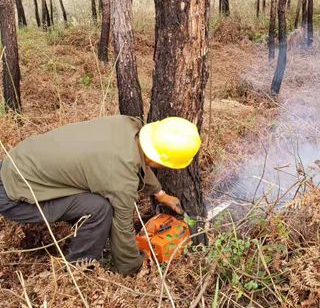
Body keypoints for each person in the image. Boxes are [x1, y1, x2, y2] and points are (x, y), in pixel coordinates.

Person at [0, 115, 201, 276]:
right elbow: (122, 226)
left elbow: (136, 161)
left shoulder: (126, 126)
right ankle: (79, 269)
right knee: (100, 209)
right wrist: (134, 267)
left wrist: (160, 193)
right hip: (15, 195)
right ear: (160, 161)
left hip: (16, 161)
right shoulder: (120, 176)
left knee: (94, 193)